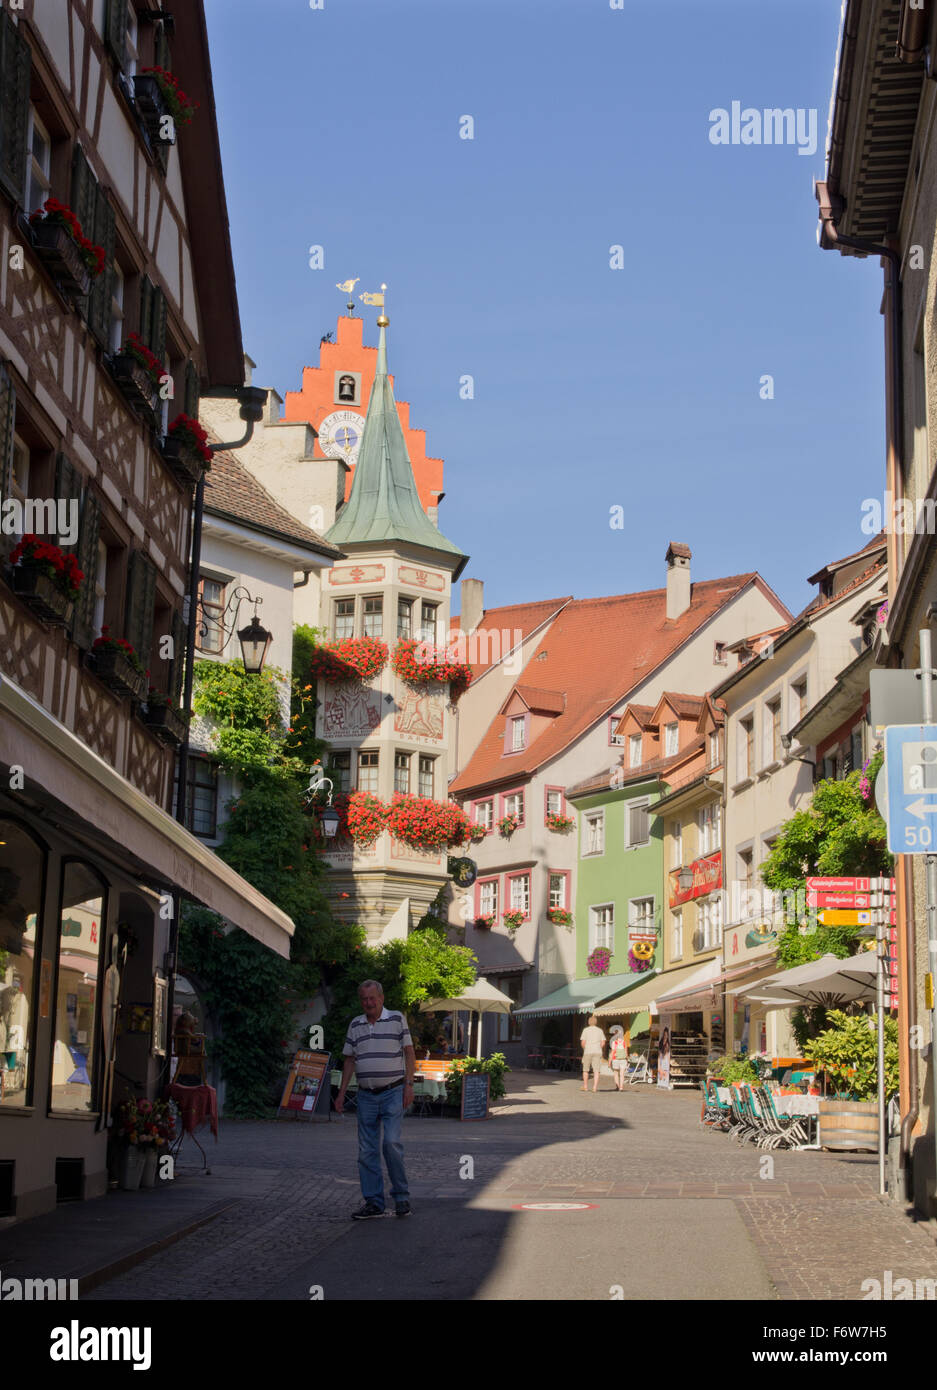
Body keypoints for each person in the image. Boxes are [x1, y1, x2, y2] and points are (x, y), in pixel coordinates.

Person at [335, 980, 415, 1219]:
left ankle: (401, 1197)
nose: (368, 1003)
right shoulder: (355, 1024)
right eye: (364, 999)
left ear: (381, 998)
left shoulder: (396, 1019)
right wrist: (340, 1094)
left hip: (393, 1091)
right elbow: (349, 1060)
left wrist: (409, 1085)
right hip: (366, 1095)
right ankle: (374, 1202)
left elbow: (409, 1053)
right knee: (366, 1151)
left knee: (390, 1143)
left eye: (372, 998)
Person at [580, 1014, 606, 1093]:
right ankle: (594, 1087)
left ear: (588, 1022)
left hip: (588, 1051)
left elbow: (583, 1042)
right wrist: (599, 1047)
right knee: (596, 1070)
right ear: (596, 1022)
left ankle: (585, 1086)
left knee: (585, 1070)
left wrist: (585, 1048)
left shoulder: (586, 1030)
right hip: (597, 1051)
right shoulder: (600, 1030)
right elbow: (603, 1042)